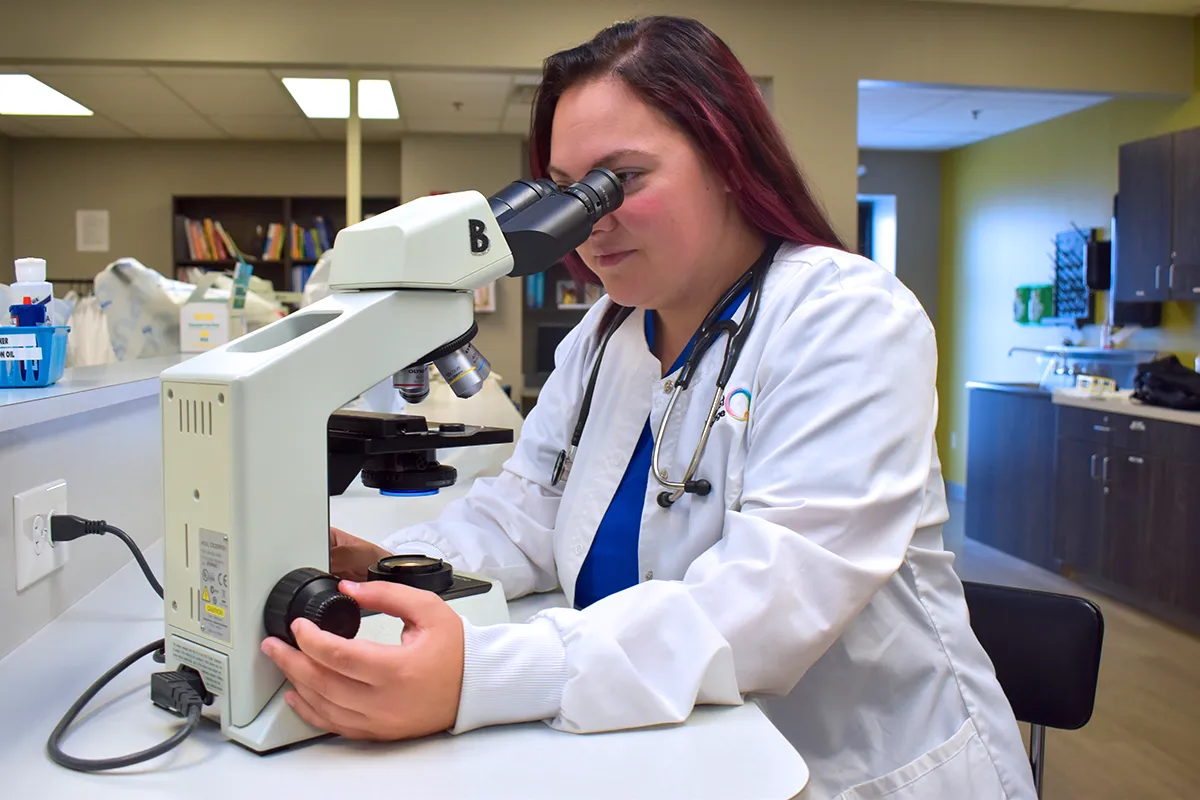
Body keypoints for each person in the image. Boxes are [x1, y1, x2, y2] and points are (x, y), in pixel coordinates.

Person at [262, 16, 1037, 799]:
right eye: (566, 191)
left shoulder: (848, 317)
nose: (588, 222)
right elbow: (523, 515)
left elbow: (767, 605)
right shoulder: (605, 334)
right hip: (669, 755)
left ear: (729, 161)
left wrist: (479, 677)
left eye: (620, 180)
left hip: (849, 769)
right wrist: (384, 564)